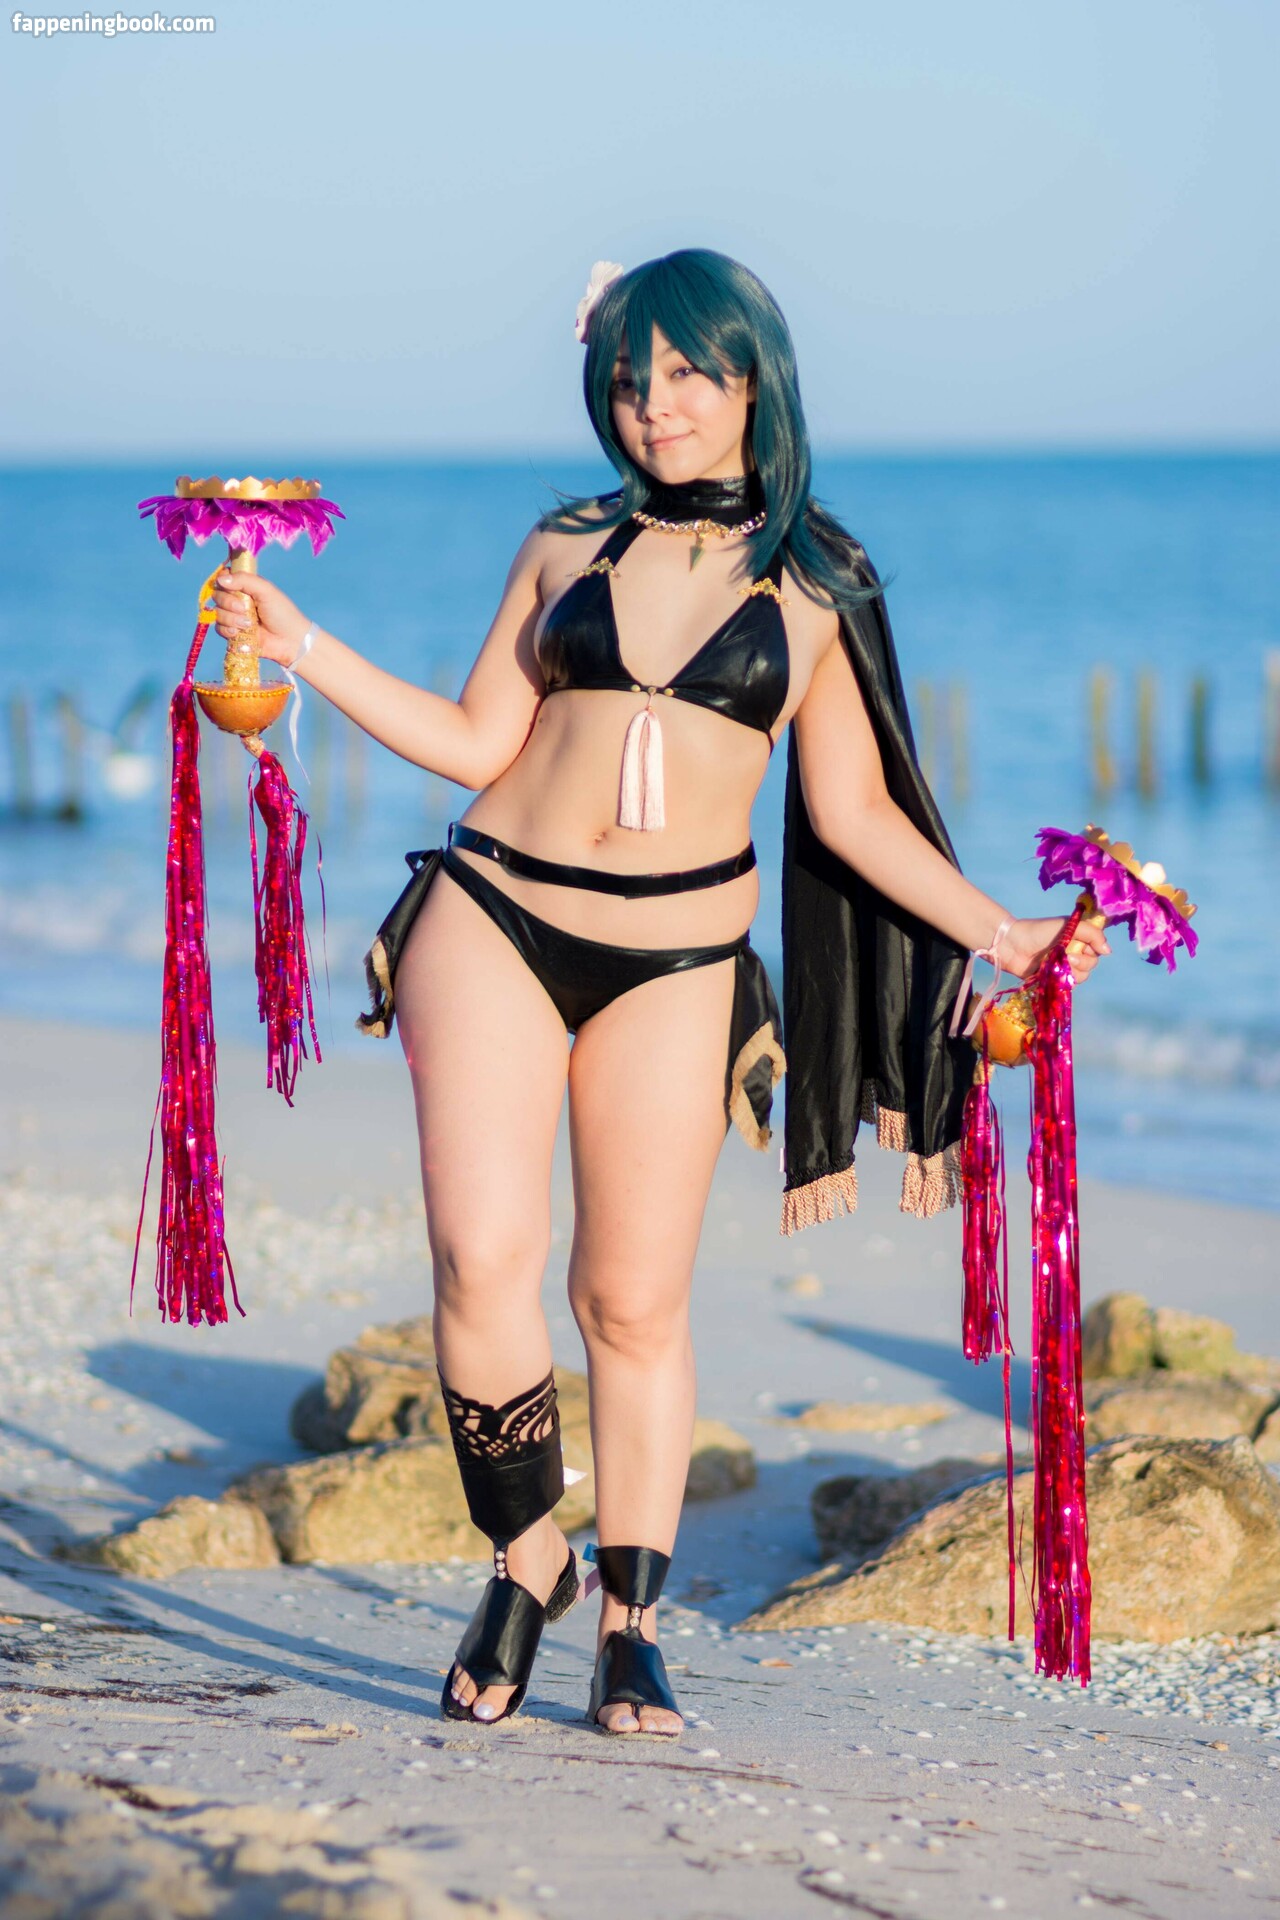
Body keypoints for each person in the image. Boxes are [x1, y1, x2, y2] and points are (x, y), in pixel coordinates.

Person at [211, 248, 1109, 1741]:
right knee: (481, 1258)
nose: (657, 405)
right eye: (630, 378)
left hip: (679, 962)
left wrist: (1000, 931)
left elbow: (857, 815)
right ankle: (525, 1558)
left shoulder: (817, 578)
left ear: (757, 379)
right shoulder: (563, 544)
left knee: (627, 1300)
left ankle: (630, 1623)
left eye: (691, 373)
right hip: (495, 914)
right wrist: (298, 646)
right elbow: (475, 738)